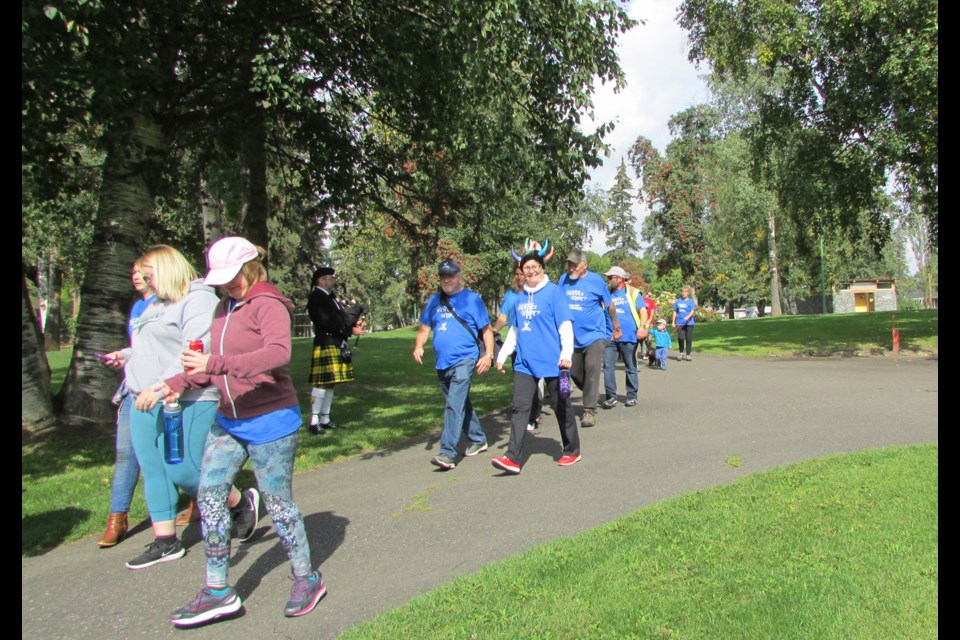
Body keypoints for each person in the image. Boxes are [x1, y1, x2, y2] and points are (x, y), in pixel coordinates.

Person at [159, 237, 326, 626]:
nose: (228, 284)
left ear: (251, 267)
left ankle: (307, 578)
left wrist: (214, 362)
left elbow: (278, 353)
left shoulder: (268, 304)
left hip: (270, 419)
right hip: (228, 419)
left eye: (233, 277)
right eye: (221, 279)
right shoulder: (223, 307)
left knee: (279, 504)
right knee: (211, 494)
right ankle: (218, 591)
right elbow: (212, 365)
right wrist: (179, 381)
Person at [103, 245, 253, 571]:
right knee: (153, 468)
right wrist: (127, 357)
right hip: (142, 395)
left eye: (149, 275)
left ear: (168, 269)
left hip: (188, 396)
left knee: (183, 470)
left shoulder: (198, 300)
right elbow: (150, 349)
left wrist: (160, 387)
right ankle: (166, 541)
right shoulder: (153, 305)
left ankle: (240, 503)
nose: (145, 282)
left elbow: (192, 351)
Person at [491, 251, 581, 474]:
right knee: (520, 407)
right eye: (526, 268)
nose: (530, 272)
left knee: (562, 406)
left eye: (534, 267)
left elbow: (565, 326)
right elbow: (514, 330)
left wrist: (567, 354)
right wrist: (501, 356)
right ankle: (512, 457)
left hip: (556, 364)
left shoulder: (554, 293)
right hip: (525, 363)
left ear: (542, 268)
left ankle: (572, 449)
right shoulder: (521, 297)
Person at [413, 259, 495, 470]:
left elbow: (486, 330)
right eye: (443, 276)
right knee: (460, 404)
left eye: (450, 276)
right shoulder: (434, 301)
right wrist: (418, 346)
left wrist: (488, 355)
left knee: (453, 405)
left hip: (465, 359)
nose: (447, 280)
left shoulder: (471, 299)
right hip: (442, 363)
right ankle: (478, 439)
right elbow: (424, 329)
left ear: (459, 276)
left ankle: (447, 453)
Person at [97, 261, 155, 547]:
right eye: (132, 272)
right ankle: (117, 517)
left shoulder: (168, 303)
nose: (135, 276)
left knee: (173, 456)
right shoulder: (137, 308)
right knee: (125, 452)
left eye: (140, 271)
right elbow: (141, 349)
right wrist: (123, 354)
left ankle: (196, 501)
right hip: (133, 388)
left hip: (161, 390)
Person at [557, 249, 618, 427]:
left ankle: (589, 410)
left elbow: (610, 305)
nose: (571, 268)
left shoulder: (596, 280)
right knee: (575, 372)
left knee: (592, 370)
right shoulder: (563, 280)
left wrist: (616, 326)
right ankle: (591, 393)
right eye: (569, 264)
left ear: (585, 265)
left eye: (575, 264)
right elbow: (558, 304)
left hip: (594, 335)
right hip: (571, 337)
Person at [307, 267, 364, 434]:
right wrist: (347, 330)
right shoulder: (317, 297)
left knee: (331, 382)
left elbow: (339, 318)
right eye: (330, 278)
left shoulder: (329, 297)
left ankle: (325, 419)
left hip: (335, 341)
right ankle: (314, 421)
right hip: (326, 341)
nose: (333, 280)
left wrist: (352, 325)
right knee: (322, 382)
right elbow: (326, 321)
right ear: (320, 280)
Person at [492, 264, 542, 432]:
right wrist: (493, 331)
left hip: (534, 343)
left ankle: (533, 415)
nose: (520, 277)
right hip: (516, 343)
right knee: (521, 380)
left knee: (535, 380)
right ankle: (526, 412)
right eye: (517, 274)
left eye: (522, 273)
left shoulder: (536, 293)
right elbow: (503, 317)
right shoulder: (511, 295)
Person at [600, 266, 647, 409]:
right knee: (608, 366)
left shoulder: (632, 292)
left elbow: (643, 311)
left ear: (619, 279)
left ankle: (632, 396)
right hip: (610, 335)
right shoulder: (606, 294)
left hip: (629, 335)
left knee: (630, 366)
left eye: (610, 278)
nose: (608, 281)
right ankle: (611, 396)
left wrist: (642, 327)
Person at [672, 285, 697, 361]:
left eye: (685, 292)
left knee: (688, 338)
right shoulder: (678, 301)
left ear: (688, 293)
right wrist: (673, 321)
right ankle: (681, 352)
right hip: (680, 323)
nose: (683, 293)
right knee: (680, 338)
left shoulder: (690, 302)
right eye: (682, 292)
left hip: (689, 323)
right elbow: (675, 311)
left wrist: (688, 317)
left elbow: (692, 311)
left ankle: (688, 354)